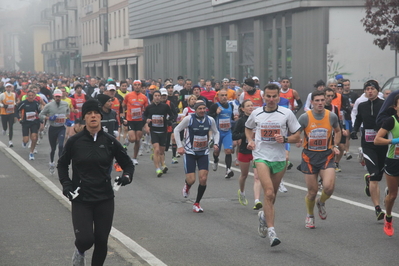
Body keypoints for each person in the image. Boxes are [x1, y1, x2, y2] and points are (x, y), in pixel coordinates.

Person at [58, 99, 134, 266]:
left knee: (101, 240)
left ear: (100, 116)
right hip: (81, 198)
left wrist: (126, 177)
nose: (93, 116)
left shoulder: (110, 141)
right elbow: (62, 165)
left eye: (96, 113)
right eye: (89, 114)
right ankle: (79, 251)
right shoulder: (75, 141)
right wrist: (67, 185)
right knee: (85, 239)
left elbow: (128, 164)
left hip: (104, 197)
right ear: (84, 118)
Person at [245, 83, 301, 247]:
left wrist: (285, 139)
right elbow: (248, 128)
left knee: (272, 196)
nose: (271, 99)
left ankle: (264, 216)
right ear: (264, 97)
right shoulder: (256, 113)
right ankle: (272, 232)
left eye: (274, 96)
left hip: (279, 159)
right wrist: (250, 140)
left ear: (279, 97)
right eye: (268, 96)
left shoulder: (286, 113)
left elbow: (297, 136)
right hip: (261, 156)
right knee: (268, 192)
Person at [297, 90, 341, 229]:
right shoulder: (305, 117)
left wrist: (334, 145)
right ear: (312, 102)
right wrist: (297, 139)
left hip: (326, 155)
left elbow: (338, 131)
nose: (320, 103)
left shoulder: (331, 116)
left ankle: (321, 202)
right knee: (312, 191)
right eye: (317, 100)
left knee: (328, 188)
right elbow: (295, 133)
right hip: (309, 156)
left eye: (322, 100)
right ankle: (310, 215)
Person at [173, 101, 220, 212]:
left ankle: (197, 203)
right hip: (190, 152)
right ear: (195, 110)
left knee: (203, 179)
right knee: (192, 180)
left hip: (203, 153)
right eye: (200, 109)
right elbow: (176, 129)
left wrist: (216, 143)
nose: (202, 111)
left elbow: (216, 132)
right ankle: (187, 185)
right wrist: (180, 146)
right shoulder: (189, 119)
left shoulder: (210, 120)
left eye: (204, 108)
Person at [351, 80, 386, 220]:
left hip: (383, 144)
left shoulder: (384, 105)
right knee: (374, 173)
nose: (369, 91)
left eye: (372, 89)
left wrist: (383, 128)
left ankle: (369, 179)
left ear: (377, 90)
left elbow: (390, 119)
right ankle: (378, 208)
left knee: (378, 176)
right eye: (367, 89)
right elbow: (359, 119)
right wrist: (354, 130)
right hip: (368, 143)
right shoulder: (362, 105)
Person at [374, 93, 399, 237]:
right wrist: (393, 141)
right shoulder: (391, 121)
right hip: (393, 161)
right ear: (395, 107)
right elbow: (377, 140)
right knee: (393, 195)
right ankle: (388, 217)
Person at [233, 99, 263, 210]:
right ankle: (241, 191)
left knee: (257, 177)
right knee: (244, 175)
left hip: (257, 151)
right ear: (243, 109)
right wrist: (246, 135)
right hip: (244, 151)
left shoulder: (258, 119)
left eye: (252, 105)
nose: (251, 107)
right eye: (248, 106)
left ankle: (257, 200)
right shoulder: (241, 121)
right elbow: (234, 135)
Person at [143, 90, 174, 177]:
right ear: (153, 97)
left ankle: (163, 164)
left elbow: (172, 115)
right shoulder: (149, 107)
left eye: (158, 96)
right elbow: (144, 116)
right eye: (155, 95)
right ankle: (157, 168)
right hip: (154, 131)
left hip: (163, 131)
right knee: (156, 150)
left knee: (161, 151)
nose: (157, 97)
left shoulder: (165, 106)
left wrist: (167, 120)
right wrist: (147, 121)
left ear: (160, 97)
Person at [39, 89, 70, 174]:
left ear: (61, 96)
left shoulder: (65, 104)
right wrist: (48, 118)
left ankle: (60, 164)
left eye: (59, 97)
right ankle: (51, 163)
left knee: (61, 145)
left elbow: (68, 112)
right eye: (56, 96)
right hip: (52, 128)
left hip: (61, 128)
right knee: (53, 148)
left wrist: (66, 119)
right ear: (54, 96)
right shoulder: (49, 105)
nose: (57, 98)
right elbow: (40, 115)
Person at [209, 88, 237, 178]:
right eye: (222, 95)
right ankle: (216, 160)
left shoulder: (230, 106)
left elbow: (231, 117)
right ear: (218, 97)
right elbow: (209, 118)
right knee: (216, 151)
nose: (224, 97)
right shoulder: (215, 106)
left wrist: (234, 118)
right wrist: (216, 113)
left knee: (228, 151)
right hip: (217, 132)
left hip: (227, 132)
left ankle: (228, 170)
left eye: (226, 95)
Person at [123, 80, 148, 165]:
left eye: (138, 85)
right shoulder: (128, 95)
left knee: (138, 140)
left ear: (141, 86)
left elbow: (146, 109)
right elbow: (123, 105)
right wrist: (123, 116)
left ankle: (134, 158)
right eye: (135, 85)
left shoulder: (144, 97)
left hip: (139, 120)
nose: (137, 86)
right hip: (130, 120)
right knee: (133, 139)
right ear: (133, 86)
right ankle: (128, 138)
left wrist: (145, 118)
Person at [17, 90, 41, 160]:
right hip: (25, 123)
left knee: (34, 138)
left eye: (32, 96)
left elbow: (39, 111)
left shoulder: (36, 103)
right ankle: (24, 142)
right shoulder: (23, 103)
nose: (30, 97)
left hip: (34, 122)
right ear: (27, 96)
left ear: (34, 96)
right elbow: (16, 111)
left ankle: (31, 152)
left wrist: (41, 117)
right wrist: (19, 118)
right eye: (29, 95)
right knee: (26, 140)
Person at [0, 83, 16, 147]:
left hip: (11, 113)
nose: (8, 88)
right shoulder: (2, 95)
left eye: (10, 87)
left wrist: (14, 105)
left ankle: (10, 141)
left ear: (11, 88)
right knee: (5, 126)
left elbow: (13, 102)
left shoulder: (13, 94)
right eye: (7, 87)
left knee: (11, 126)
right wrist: (3, 105)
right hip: (4, 113)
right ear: (5, 88)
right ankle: (4, 129)